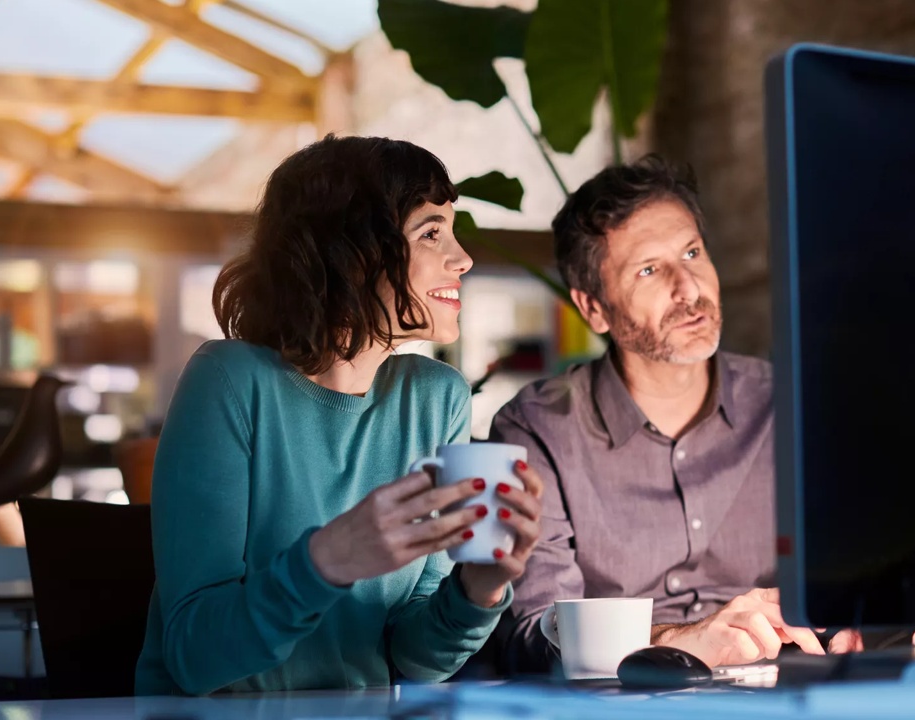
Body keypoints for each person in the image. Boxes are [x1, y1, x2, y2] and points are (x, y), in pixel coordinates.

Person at [135, 135, 545, 695]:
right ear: (353, 253)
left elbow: (417, 658)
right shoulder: (230, 380)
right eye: (431, 233)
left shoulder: (436, 398)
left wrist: (480, 589)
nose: (464, 258)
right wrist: (327, 560)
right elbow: (193, 657)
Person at [490, 156, 860, 673]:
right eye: (648, 269)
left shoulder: (791, 404)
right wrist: (688, 641)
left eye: (692, 252)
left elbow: (859, 576)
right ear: (593, 307)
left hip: (791, 694)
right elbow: (534, 634)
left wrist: (855, 621)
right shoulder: (537, 430)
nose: (689, 289)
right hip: (621, 705)